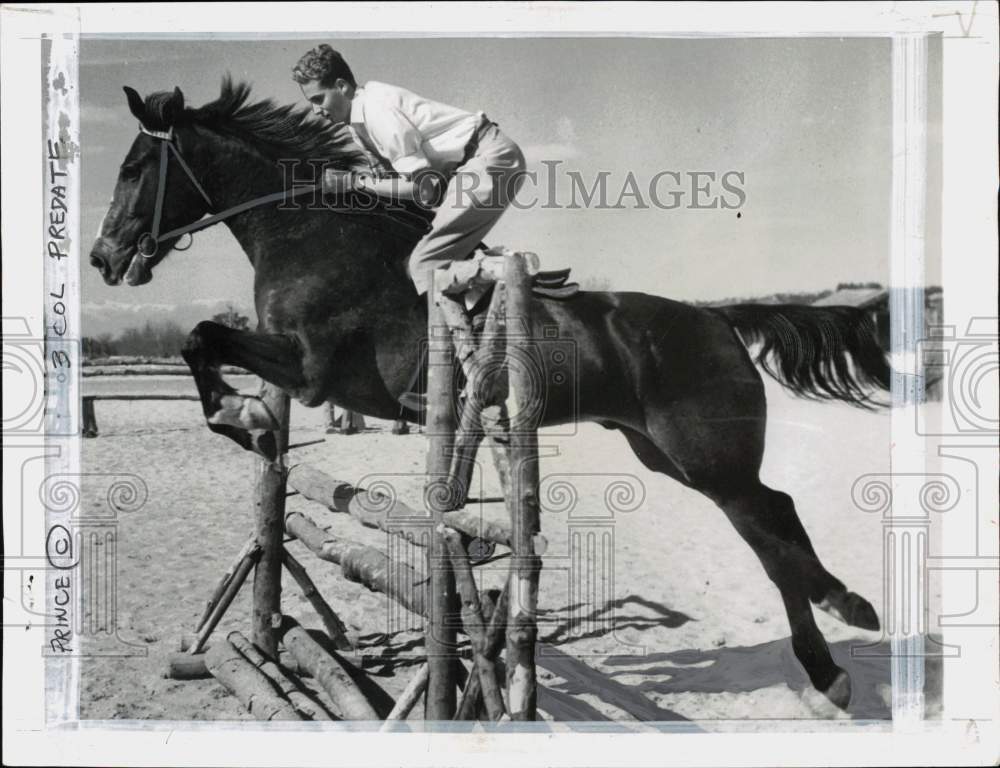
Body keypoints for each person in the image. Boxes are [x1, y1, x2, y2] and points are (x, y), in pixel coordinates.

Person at [291, 44, 527, 302]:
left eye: (318, 99)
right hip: (469, 166)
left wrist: (353, 182)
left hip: (487, 158)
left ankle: (507, 271)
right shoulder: (358, 125)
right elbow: (391, 185)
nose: (316, 110)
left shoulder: (377, 112)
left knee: (425, 264)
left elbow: (420, 189)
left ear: (342, 86)